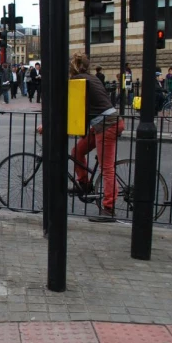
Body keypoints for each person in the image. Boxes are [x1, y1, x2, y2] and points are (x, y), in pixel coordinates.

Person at [68, 53, 124, 221]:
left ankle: (109, 208)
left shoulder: (80, 81)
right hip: (103, 122)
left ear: (74, 67)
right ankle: (84, 184)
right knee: (77, 150)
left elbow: (68, 106)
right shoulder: (91, 78)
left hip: (107, 124)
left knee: (106, 167)